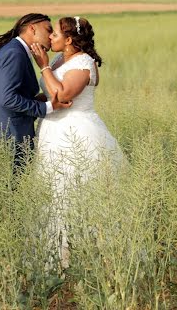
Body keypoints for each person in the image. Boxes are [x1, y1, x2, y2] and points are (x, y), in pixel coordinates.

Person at [30, 16, 125, 267]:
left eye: (56, 34)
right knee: (55, 191)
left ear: (69, 39)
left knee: (79, 190)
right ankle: (60, 256)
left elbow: (63, 94)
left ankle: (94, 254)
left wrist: (42, 66)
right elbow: (49, 93)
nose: (50, 37)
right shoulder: (60, 59)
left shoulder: (84, 63)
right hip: (53, 131)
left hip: (78, 133)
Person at [0, 13, 71, 168]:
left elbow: (12, 94)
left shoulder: (14, 50)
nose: (51, 36)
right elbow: (8, 98)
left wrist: (41, 98)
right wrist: (49, 107)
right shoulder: (15, 54)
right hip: (9, 137)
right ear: (32, 29)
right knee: (10, 190)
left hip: (6, 134)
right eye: (48, 30)